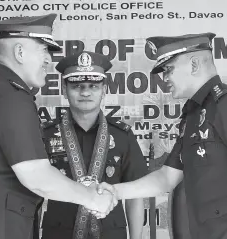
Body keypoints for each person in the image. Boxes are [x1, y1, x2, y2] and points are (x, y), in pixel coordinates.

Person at [0, 14, 117, 239]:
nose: (48, 60)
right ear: (19, 52)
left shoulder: (0, 89)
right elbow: (36, 175)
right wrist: (92, 198)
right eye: (43, 50)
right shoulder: (8, 96)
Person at [97, 33, 227, 239]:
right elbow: (166, 179)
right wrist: (114, 192)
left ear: (194, 65)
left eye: (169, 69)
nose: (165, 78)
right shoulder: (193, 114)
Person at [40, 51, 147, 239]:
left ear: (104, 89)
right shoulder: (45, 135)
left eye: (93, 86)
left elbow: (135, 194)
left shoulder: (122, 136)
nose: (85, 92)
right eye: (77, 86)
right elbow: (35, 194)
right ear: (64, 89)